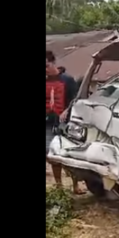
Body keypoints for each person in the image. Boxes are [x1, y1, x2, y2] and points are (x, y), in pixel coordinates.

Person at [46, 50, 84, 194]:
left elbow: (75, 99)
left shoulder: (67, 80)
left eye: (46, 65)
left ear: (53, 62)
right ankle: (59, 186)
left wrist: (66, 110)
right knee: (52, 154)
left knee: (69, 154)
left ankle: (75, 185)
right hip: (48, 123)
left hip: (65, 123)